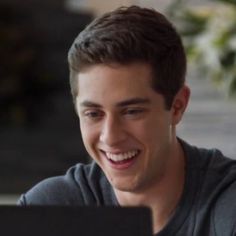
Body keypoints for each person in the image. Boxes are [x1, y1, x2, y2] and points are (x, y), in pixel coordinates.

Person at [18, 5, 236, 235]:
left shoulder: (227, 206)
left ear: (177, 106)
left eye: (132, 111)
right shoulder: (49, 210)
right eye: (94, 114)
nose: (110, 137)